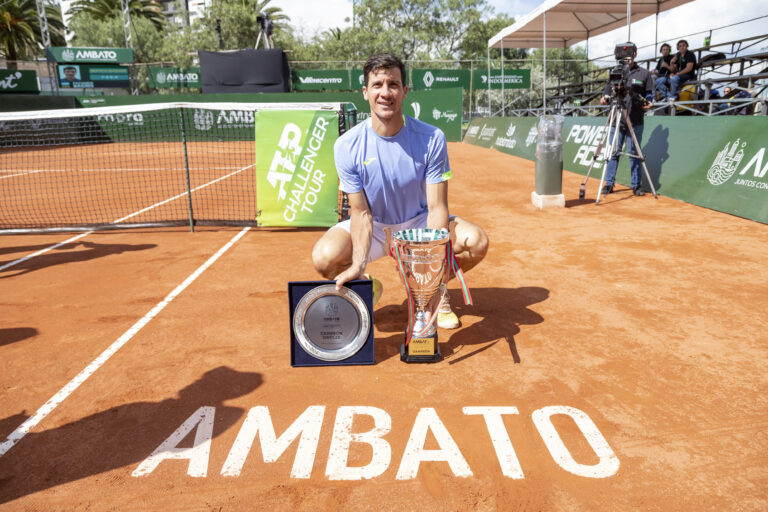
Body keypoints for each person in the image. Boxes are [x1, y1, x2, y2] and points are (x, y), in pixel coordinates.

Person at [311, 53, 488, 330]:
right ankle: (367, 287)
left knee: (476, 241)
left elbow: (437, 208)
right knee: (324, 258)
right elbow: (360, 212)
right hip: (376, 225)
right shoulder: (346, 145)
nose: (385, 92)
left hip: (419, 223)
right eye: (378, 84)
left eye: (393, 84)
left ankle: (430, 290)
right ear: (365, 92)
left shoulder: (432, 138)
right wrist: (358, 264)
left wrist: (431, 271)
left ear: (404, 91)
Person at [599, 43, 654, 196]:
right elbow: (607, 90)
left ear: (635, 54)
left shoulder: (644, 73)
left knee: (634, 152)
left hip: (635, 119)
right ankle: (609, 184)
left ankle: (636, 185)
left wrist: (649, 101)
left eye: (629, 53)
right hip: (616, 119)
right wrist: (604, 97)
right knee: (613, 152)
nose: (626, 57)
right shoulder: (615, 72)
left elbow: (649, 93)